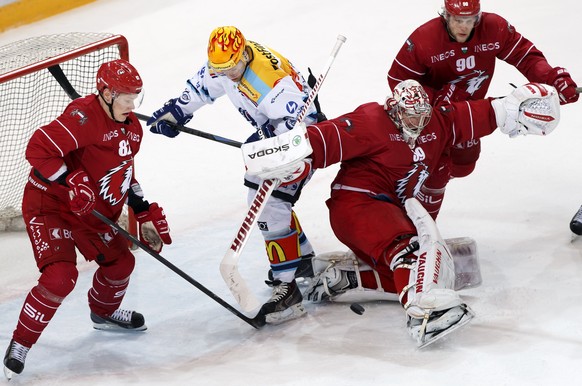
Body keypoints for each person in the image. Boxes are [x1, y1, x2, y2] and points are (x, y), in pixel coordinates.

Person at [246, 79, 560, 345]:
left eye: (422, 117)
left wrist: (516, 106)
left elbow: (485, 112)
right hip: (357, 207)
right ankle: (422, 312)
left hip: (391, 213)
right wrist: (284, 154)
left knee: (417, 264)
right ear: (395, 109)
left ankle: (343, 278)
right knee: (410, 253)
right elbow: (322, 139)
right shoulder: (371, 120)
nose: (417, 124)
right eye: (410, 118)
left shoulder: (439, 121)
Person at [3, 59, 172, 379]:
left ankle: (104, 313)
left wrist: (142, 208)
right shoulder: (81, 118)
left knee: (122, 264)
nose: (131, 104)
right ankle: (20, 343)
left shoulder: (133, 129)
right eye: (125, 96)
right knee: (60, 277)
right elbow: (37, 149)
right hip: (51, 204)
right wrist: (70, 180)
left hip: (90, 208)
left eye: (135, 96)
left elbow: (124, 172)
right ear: (106, 93)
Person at [147, 26, 324, 324]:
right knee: (266, 198)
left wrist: (272, 133)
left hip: (304, 142)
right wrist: (178, 111)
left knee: (268, 202)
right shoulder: (225, 61)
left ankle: (288, 286)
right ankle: (302, 260)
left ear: (243, 55)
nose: (227, 74)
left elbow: (304, 124)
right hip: (274, 141)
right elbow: (203, 87)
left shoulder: (270, 80)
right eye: (221, 68)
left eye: (231, 68)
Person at [387, 0, 579, 219]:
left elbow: (526, 57)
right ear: (446, 16)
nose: (463, 27)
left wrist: (553, 79)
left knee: (464, 164)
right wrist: (433, 101)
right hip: (432, 117)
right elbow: (398, 79)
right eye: (458, 20)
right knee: (434, 171)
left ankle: (419, 193)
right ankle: (409, 231)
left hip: (469, 113)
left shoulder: (494, 28)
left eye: (469, 21)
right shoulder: (424, 39)